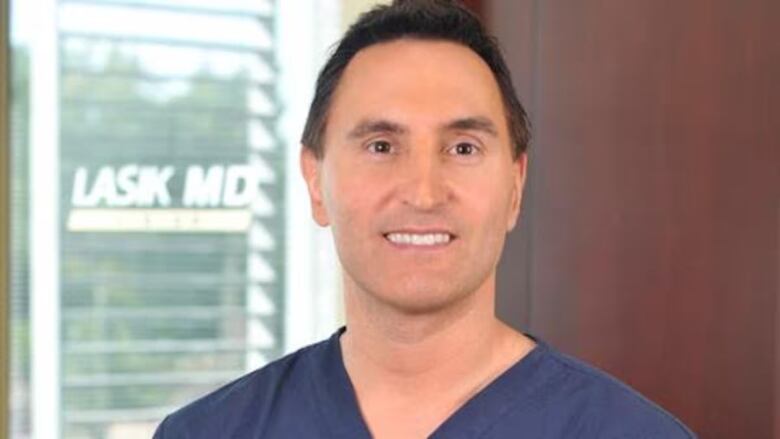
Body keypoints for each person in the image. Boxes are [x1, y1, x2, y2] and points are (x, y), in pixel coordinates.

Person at [153, 1, 697, 437]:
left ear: (515, 186)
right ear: (316, 181)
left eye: (462, 148)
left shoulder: (625, 430)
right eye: (382, 145)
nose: (423, 191)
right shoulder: (211, 430)